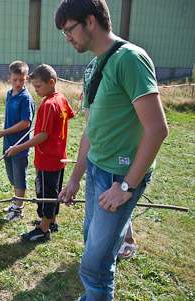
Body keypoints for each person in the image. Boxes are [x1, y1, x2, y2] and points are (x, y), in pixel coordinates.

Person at [55, 0, 168, 299]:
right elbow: (91, 131)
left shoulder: (130, 59)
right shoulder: (94, 66)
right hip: (96, 170)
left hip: (119, 176)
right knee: (90, 241)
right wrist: (75, 178)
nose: (66, 37)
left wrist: (126, 186)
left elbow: (157, 129)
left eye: (69, 30)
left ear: (90, 21)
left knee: (95, 263)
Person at [6, 64, 74, 241]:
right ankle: (51, 221)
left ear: (51, 83)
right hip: (60, 157)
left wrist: (18, 148)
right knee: (55, 191)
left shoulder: (48, 105)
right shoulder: (62, 99)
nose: (35, 90)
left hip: (47, 159)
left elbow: (43, 135)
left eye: (38, 87)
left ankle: (43, 230)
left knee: (46, 195)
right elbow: (67, 117)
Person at [0, 61, 36, 221]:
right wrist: (4, 135)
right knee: (13, 176)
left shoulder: (25, 98)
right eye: (15, 79)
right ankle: (17, 202)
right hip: (8, 143)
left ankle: (19, 209)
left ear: (26, 79)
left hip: (20, 147)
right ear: (9, 78)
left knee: (20, 177)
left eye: (21, 80)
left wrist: (4, 132)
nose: (18, 83)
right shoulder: (10, 94)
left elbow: (26, 123)